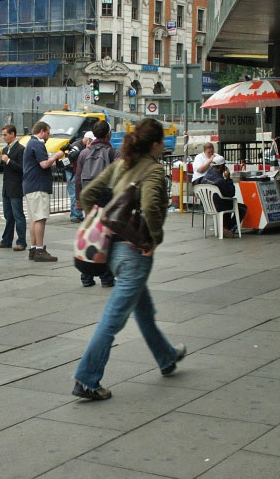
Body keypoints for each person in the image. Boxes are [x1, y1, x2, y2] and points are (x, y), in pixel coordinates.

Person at [72, 118, 186, 400]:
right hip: (135, 252)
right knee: (113, 319)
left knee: (143, 309)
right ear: (157, 144)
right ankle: (86, 379)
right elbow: (150, 207)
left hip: (112, 251)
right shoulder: (154, 171)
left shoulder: (120, 165)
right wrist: (152, 239)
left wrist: (97, 222)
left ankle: (166, 357)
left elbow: (87, 194)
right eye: (161, 143)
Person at [75, 121, 117, 288]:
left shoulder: (84, 153)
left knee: (91, 236)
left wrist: (79, 202)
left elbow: (78, 179)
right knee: (106, 239)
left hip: (89, 200)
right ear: (108, 134)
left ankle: (86, 277)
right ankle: (107, 278)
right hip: (107, 201)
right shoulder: (113, 152)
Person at [23, 121, 66, 262]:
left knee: (34, 219)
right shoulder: (38, 144)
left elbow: (40, 163)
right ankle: (40, 250)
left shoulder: (30, 143)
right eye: (48, 132)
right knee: (40, 218)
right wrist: (56, 156)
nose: (48, 136)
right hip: (38, 186)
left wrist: (52, 161)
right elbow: (44, 164)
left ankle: (34, 248)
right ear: (41, 131)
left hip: (29, 186)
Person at [0, 124, 27, 252]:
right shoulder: (5, 150)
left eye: (5, 135)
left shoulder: (21, 149)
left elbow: (22, 169)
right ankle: (6, 240)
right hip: (6, 187)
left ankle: (21, 241)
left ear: (13, 134)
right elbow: (4, 168)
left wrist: (8, 161)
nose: (3, 137)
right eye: (3, 135)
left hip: (16, 187)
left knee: (18, 215)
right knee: (8, 215)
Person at [201, 155, 247, 238]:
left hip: (207, 205)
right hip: (219, 206)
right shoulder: (220, 180)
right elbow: (231, 193)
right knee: (242, 208)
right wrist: (228, 178)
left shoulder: (206, 176)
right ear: (222, 166)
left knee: (227, 202)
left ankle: (224, 228)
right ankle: (228, 229)